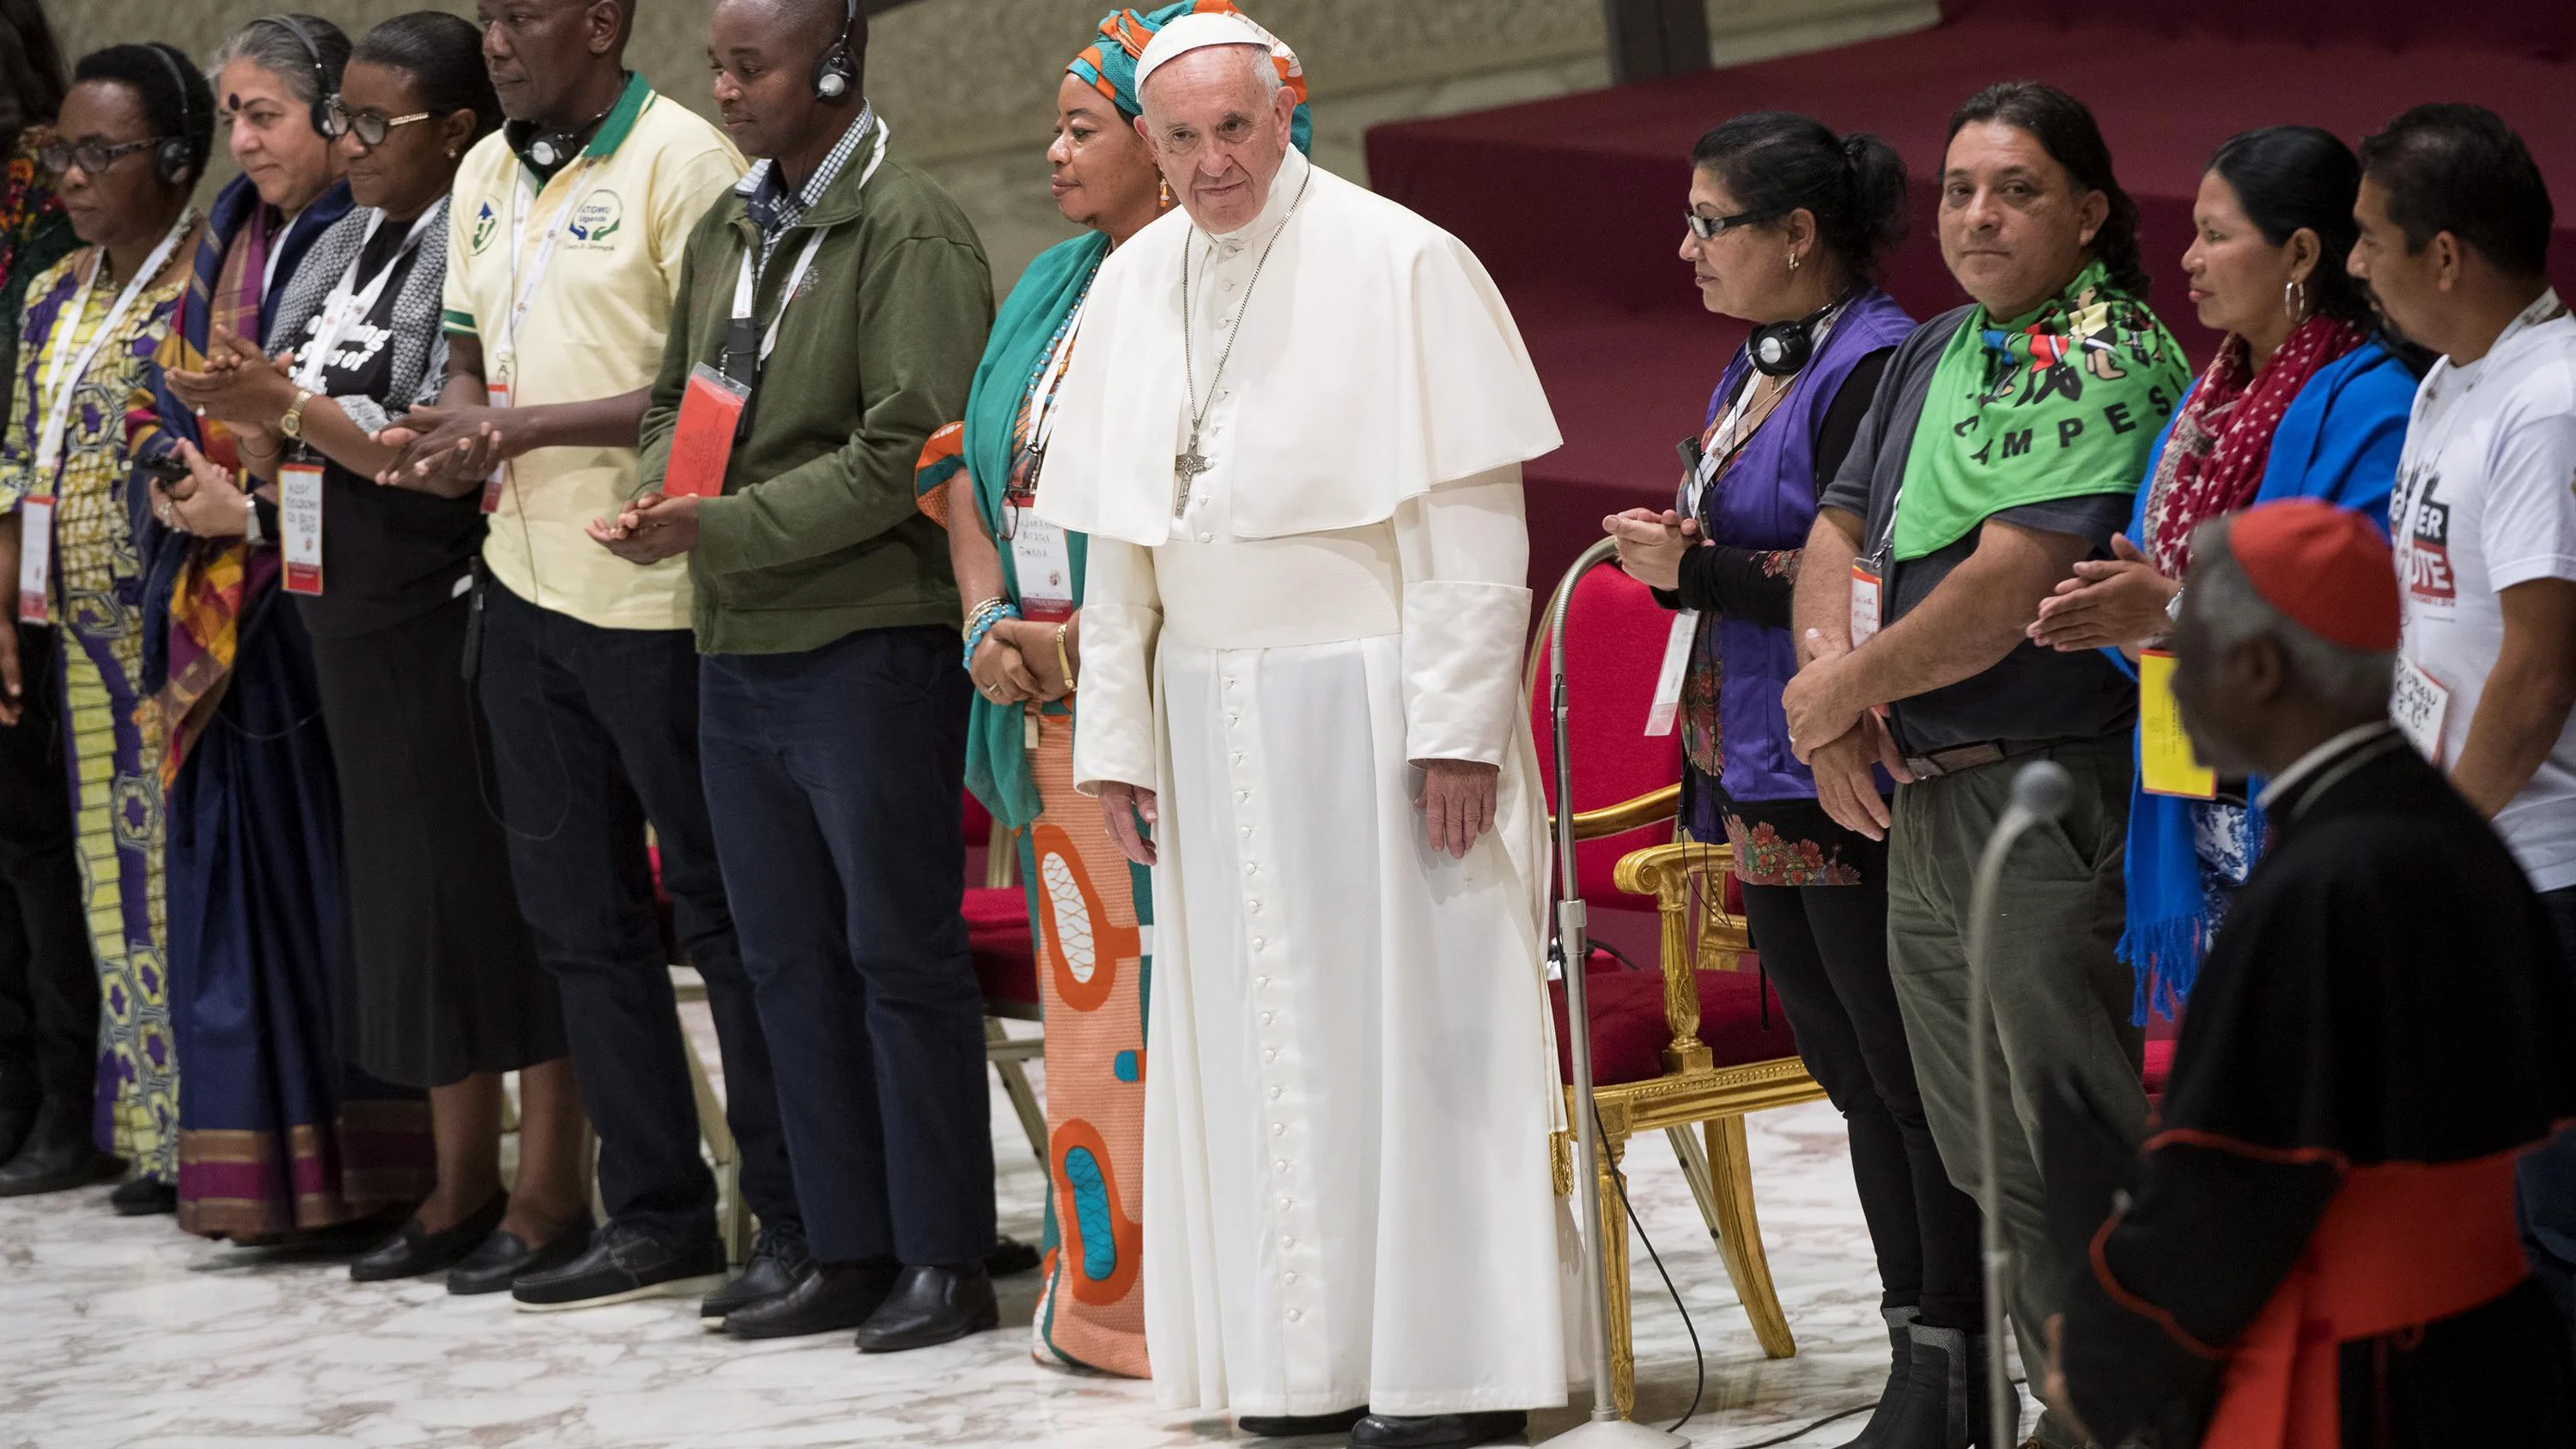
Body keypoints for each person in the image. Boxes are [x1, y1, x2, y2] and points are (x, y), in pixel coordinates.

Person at [1036, 13, 1566, 1446]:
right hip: (1209, 709)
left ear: (1286, 117)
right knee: (1259, 1041)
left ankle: (1453, 1373)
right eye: (1184, 138)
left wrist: (1458, 726)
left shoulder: (1403, 260)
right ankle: (1296, 1359)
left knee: (1413, 1027)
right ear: (1151, 144)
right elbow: (1120, 550)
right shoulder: (1136, 281)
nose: (1213, 163)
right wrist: (1121, 742)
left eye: (1236, 130)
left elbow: (1470, 517)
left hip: (1374, 696)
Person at [374, 0, 798, 1314]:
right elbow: (458, 352)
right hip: (522, 593)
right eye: (487, 19)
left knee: (728, 924)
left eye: (524, 17)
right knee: (580, 928)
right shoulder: (489, 169)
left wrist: (522, 427)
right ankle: (656, 1214)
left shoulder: (685, 160)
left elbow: (716, 379)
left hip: (658, 598)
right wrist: (457, 419)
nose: (496, 41)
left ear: (604, 23)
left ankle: (792, 1215)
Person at [1783, 81, 2190, 1448]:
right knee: (1979, 1150)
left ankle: (2139, 1418)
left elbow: (2010, 586)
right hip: (1931, 796)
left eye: (2015, 189)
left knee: (2068, 1146)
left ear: (2088, 210)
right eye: (1958, 187)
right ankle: (2063, 1407)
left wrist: (1844, 685)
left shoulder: (2108, 352)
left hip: (2047, 785)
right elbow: (1840, 535)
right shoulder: (1935, 349)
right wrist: (1830, 698)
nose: (1977, 214)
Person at [160, 11, 592, 1289]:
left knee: (502, 913)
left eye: (368, 123)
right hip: (334, 610)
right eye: (336, 118)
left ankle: (548, 1184)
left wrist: (283, 408)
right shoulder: (333, 240)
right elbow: (290, 426)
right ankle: (458, 1180)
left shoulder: (469, 242)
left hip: (443, 606)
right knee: (407, 917)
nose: (343, 143)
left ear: (458, 134)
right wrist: (253, 417)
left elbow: (419, 447)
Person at [596, 0, 995, 1349]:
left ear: (833, 64)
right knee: (782, 965)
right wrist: (664, 493)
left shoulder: (910, 227)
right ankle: (839, 1241)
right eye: (714, 65)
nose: (723, 90)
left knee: (899, 954)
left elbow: (909, 451)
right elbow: (673, 398)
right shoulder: (731, 224)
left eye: (748, 65)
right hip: (738, 642)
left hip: (867, 641)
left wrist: (727, 526)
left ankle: (943, 1253)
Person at [1602, 112, 1984, 1449]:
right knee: (1846, 1070)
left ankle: (1957, 1356)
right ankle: (1911, 1341)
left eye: (1713, 222)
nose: (1690, 246)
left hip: (1840, 762)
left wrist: (1694, 572)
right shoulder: (1760, 364)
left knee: (1900, 1071)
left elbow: (1870, 578)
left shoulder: (1876, 367)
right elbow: (1742, 539)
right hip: (1750, 762)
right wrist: (1686, 547)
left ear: (1798, 236)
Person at [2049, 499, 2576, 1448]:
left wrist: (2107, 1350)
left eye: (2186, 641)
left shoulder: (2322, 884)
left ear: (2257, 667)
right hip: (2495, 1350)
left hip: (2368, 1381)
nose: (2169, 672)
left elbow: (2235, 1185)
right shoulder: (2452, 829)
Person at [908, 1, 1200, 1379]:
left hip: (1166, 707)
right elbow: (963, 462)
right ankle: (1103, 1300)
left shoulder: (1210, 286)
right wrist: (983, 619)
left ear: (1162, 145)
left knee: (1177, 1009)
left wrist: (1083, 646)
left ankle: (1199, 1306)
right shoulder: (1051, 282)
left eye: (1081, 129)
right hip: (1036, 692)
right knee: (1090, 1021)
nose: (1052, 153)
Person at [127, 12, 434, 1241]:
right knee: (238, 898)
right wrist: (173, 474)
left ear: (332, 120)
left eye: (267, 115)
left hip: (320, 606)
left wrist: (243, 504)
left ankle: (365, 1181)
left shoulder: (346, 243)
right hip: (223, 593)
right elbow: (166, 386)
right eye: (236, 117)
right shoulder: (223, 239)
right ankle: (266, 1184)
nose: (243, 140)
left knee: (330, 899)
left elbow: (336, 415)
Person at [2028, 125, 2417, 1023]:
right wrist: (2126, 619)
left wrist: (2166, 607)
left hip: (2318, 809)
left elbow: (2366, 619)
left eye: (2216, 233)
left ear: (2302, 252)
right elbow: (2149, 589)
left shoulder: (2371, 402)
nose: (2189, 258)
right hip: (2195, 781)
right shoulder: (2210, 401)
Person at [2344, 101, 2576, 1362]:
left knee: (2561, 1217)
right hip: (2482, 853)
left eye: (2373, 238)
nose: (2356, 263)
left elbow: (2539, 674)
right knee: (2496, 1216)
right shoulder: (2450, 381)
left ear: (2446, 255)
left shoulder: (2549, 402)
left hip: (2548, 868)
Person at [0, 43, 208, 1215]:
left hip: (176, 634)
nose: (70, 176)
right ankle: (143, 1132)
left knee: (181, 889)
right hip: (73, 638)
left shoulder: (207, 287)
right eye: (61, 150)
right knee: (104, 889)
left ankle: (211, 1129)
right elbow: (22, 450)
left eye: (98, 152)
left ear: (174, 161)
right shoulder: (48, 295)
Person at [0, 0, 105, 1197]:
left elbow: (25, 403)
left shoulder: (39, 189)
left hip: (25, 550)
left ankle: (66, 1105)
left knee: (35, 845)